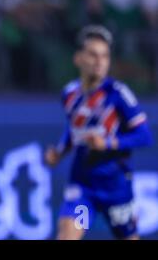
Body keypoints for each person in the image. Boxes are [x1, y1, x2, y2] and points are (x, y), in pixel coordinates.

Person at [45, 25, 153, 240]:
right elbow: (75, 129)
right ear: (78, 59)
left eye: (104, 56)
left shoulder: (118, 94)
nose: (99, 61)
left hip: (116, 188)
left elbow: (144, 136)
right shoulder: (69, 94)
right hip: (84, 188)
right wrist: (59, 152)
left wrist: (109, 143)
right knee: (67, 235)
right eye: (93, 55)